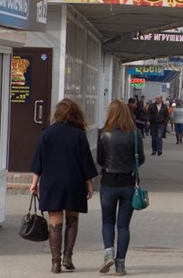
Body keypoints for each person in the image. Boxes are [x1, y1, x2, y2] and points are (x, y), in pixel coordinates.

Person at [28, 98, 98, 274]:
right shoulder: (79, 135)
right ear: (76, 114)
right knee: (72, 220)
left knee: (55, 222)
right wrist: (89, 184)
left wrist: (34, 183)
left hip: (52, 183)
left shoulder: (46, 134)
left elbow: (39, 161)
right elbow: (86, 163)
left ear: (57, 114)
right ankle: (68, 257)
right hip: (74, 182)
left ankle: (55, 263)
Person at [96, 100, 145, 276]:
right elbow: (142, 158)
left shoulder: (103, 133)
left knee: (107, 222)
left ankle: (108, 253)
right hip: (128, 184)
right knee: (123, 226)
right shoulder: (134, 133)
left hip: (108, 183)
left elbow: (101, 160)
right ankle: (120, 265)